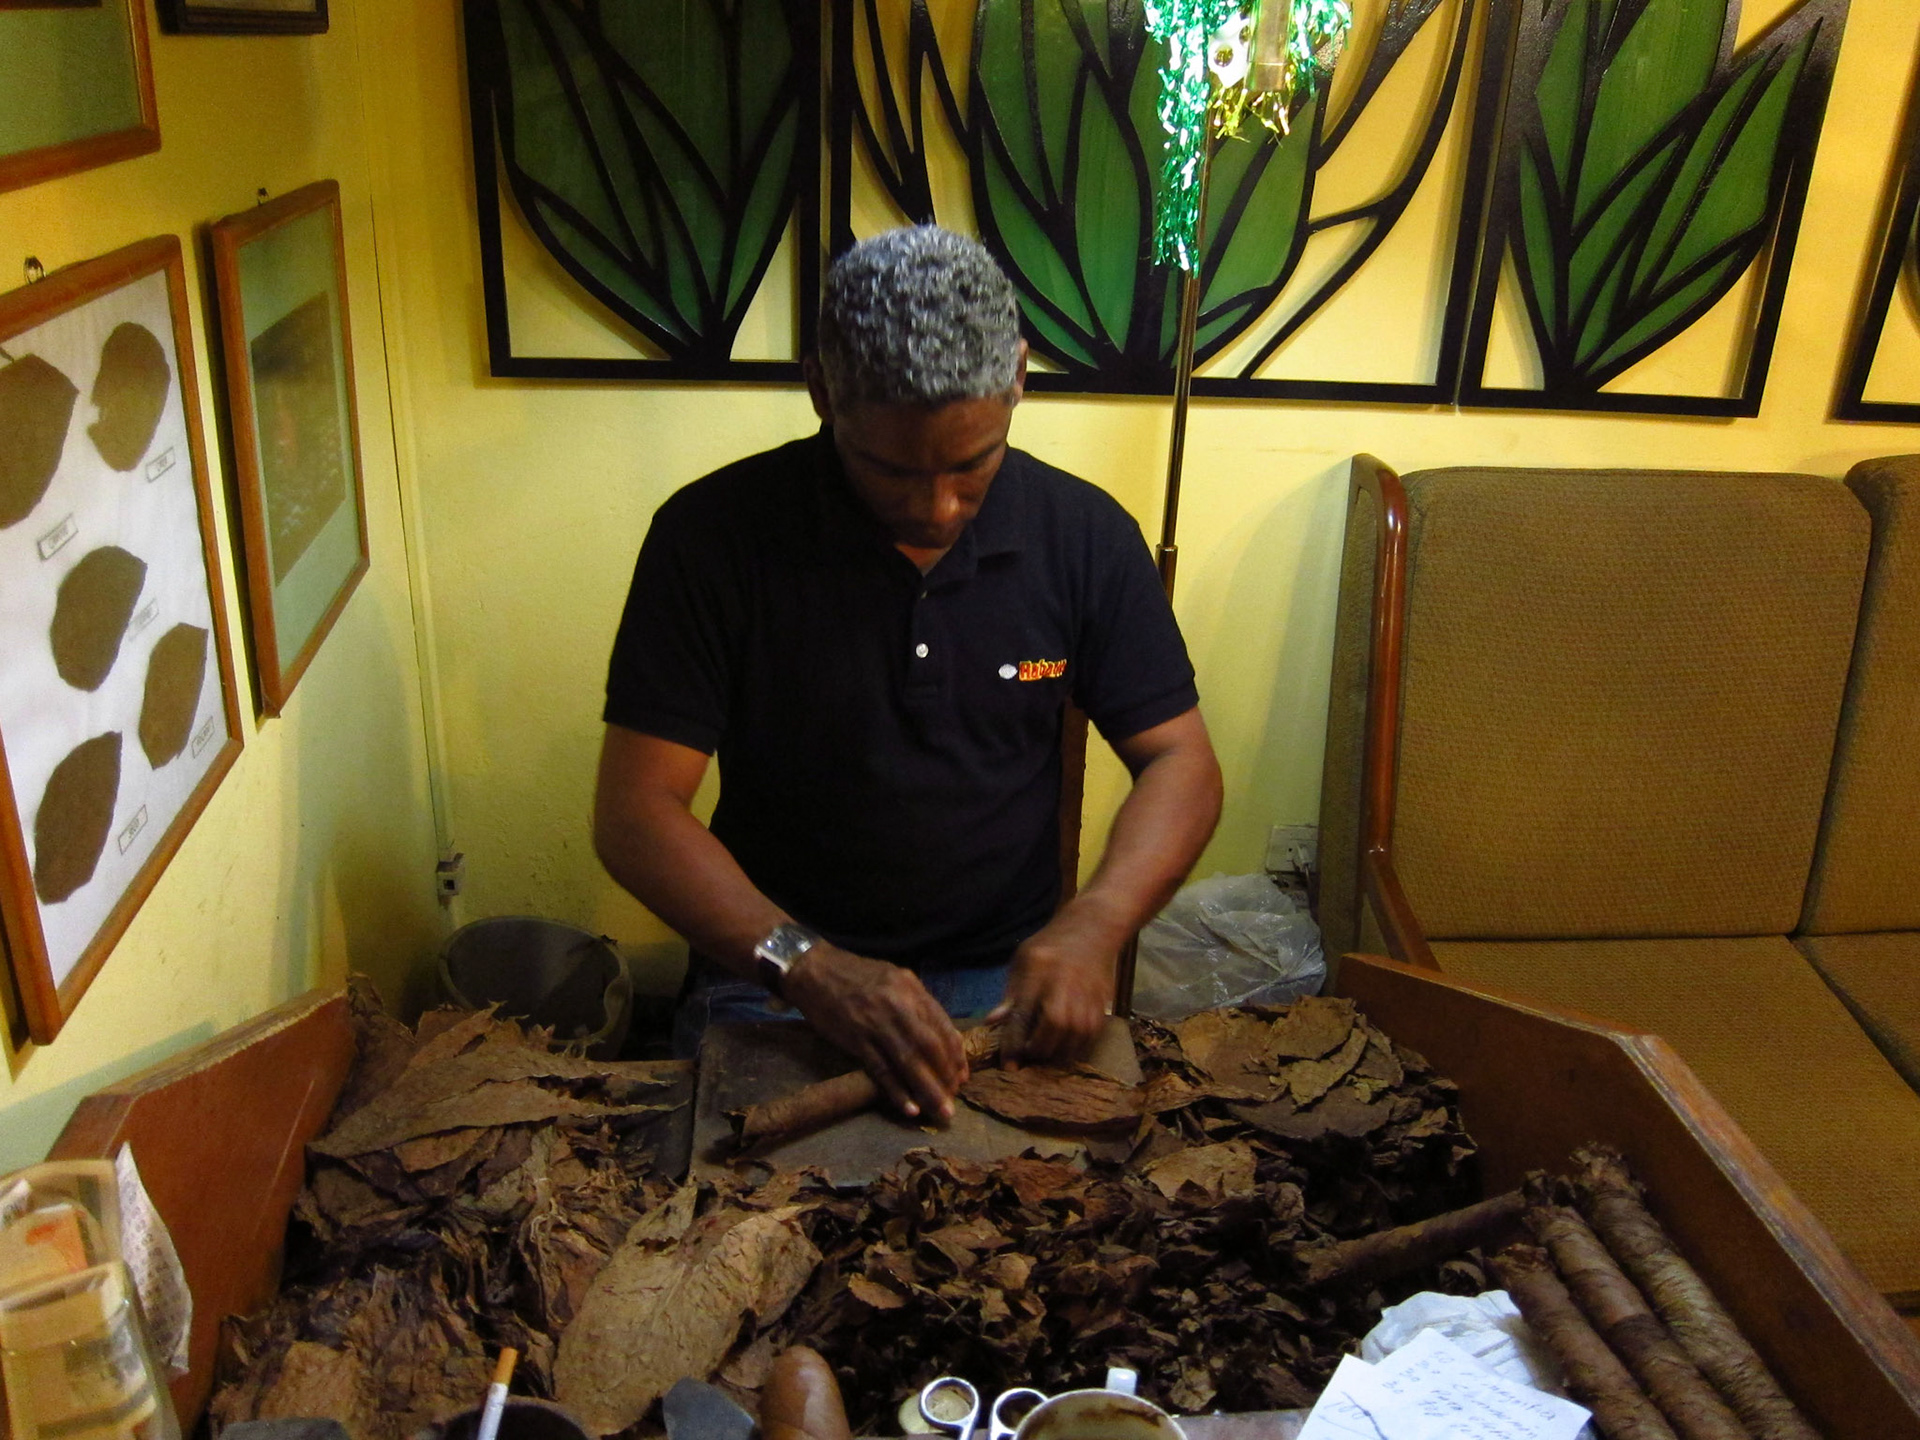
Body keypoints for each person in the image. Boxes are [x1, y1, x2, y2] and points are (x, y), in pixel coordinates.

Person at [593, 226, 1222, 1123]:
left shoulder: (1084, 537)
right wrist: (809, 965)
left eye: (973, 465)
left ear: (1018, 380)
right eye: (890, 471)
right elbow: (634, 814)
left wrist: (1096, 922)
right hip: (773, 972)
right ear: (821, 392)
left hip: (1005, 987)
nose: (938, 507)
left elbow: (1182, 764)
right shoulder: (711, 538)